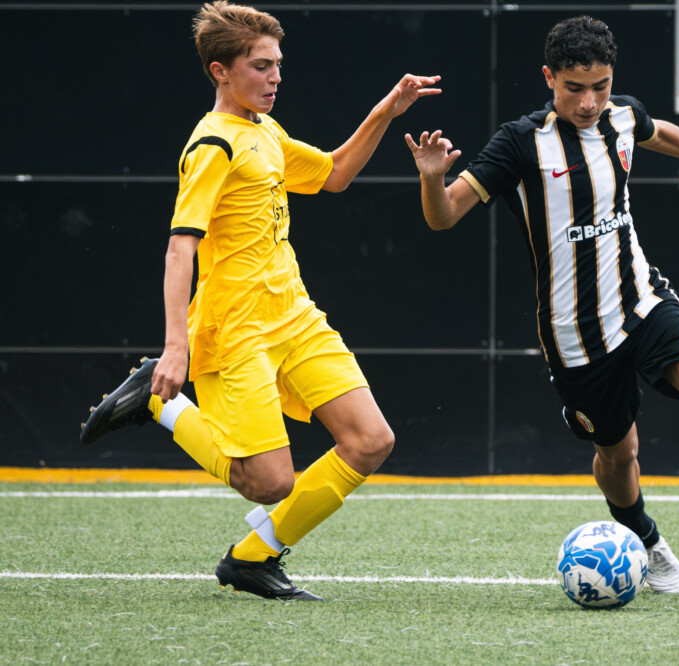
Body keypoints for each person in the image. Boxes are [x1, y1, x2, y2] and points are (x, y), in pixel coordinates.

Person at [403, 15, 679, 595]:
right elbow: (443, 214)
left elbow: (659, 131)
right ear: (549, 78)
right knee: (619, 449)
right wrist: (432, 179)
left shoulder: (622, 115)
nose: (588, 101)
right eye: (574, 88)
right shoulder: (518, 143)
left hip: (642, 300)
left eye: (599, 86)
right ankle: (649, 545)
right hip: (574, 332)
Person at [79, 0, 441, 601]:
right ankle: (160, 403)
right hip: (234, 330)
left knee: (371, 441)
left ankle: (251, 559)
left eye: (278, 65)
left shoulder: (265, 131)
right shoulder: (212, 144)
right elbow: (178, 252)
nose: (275, 77)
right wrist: (176, 348)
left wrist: (385, 111)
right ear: (221, 71)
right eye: (260, 66)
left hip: (294, 315)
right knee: (270, 483)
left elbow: (333, 174)